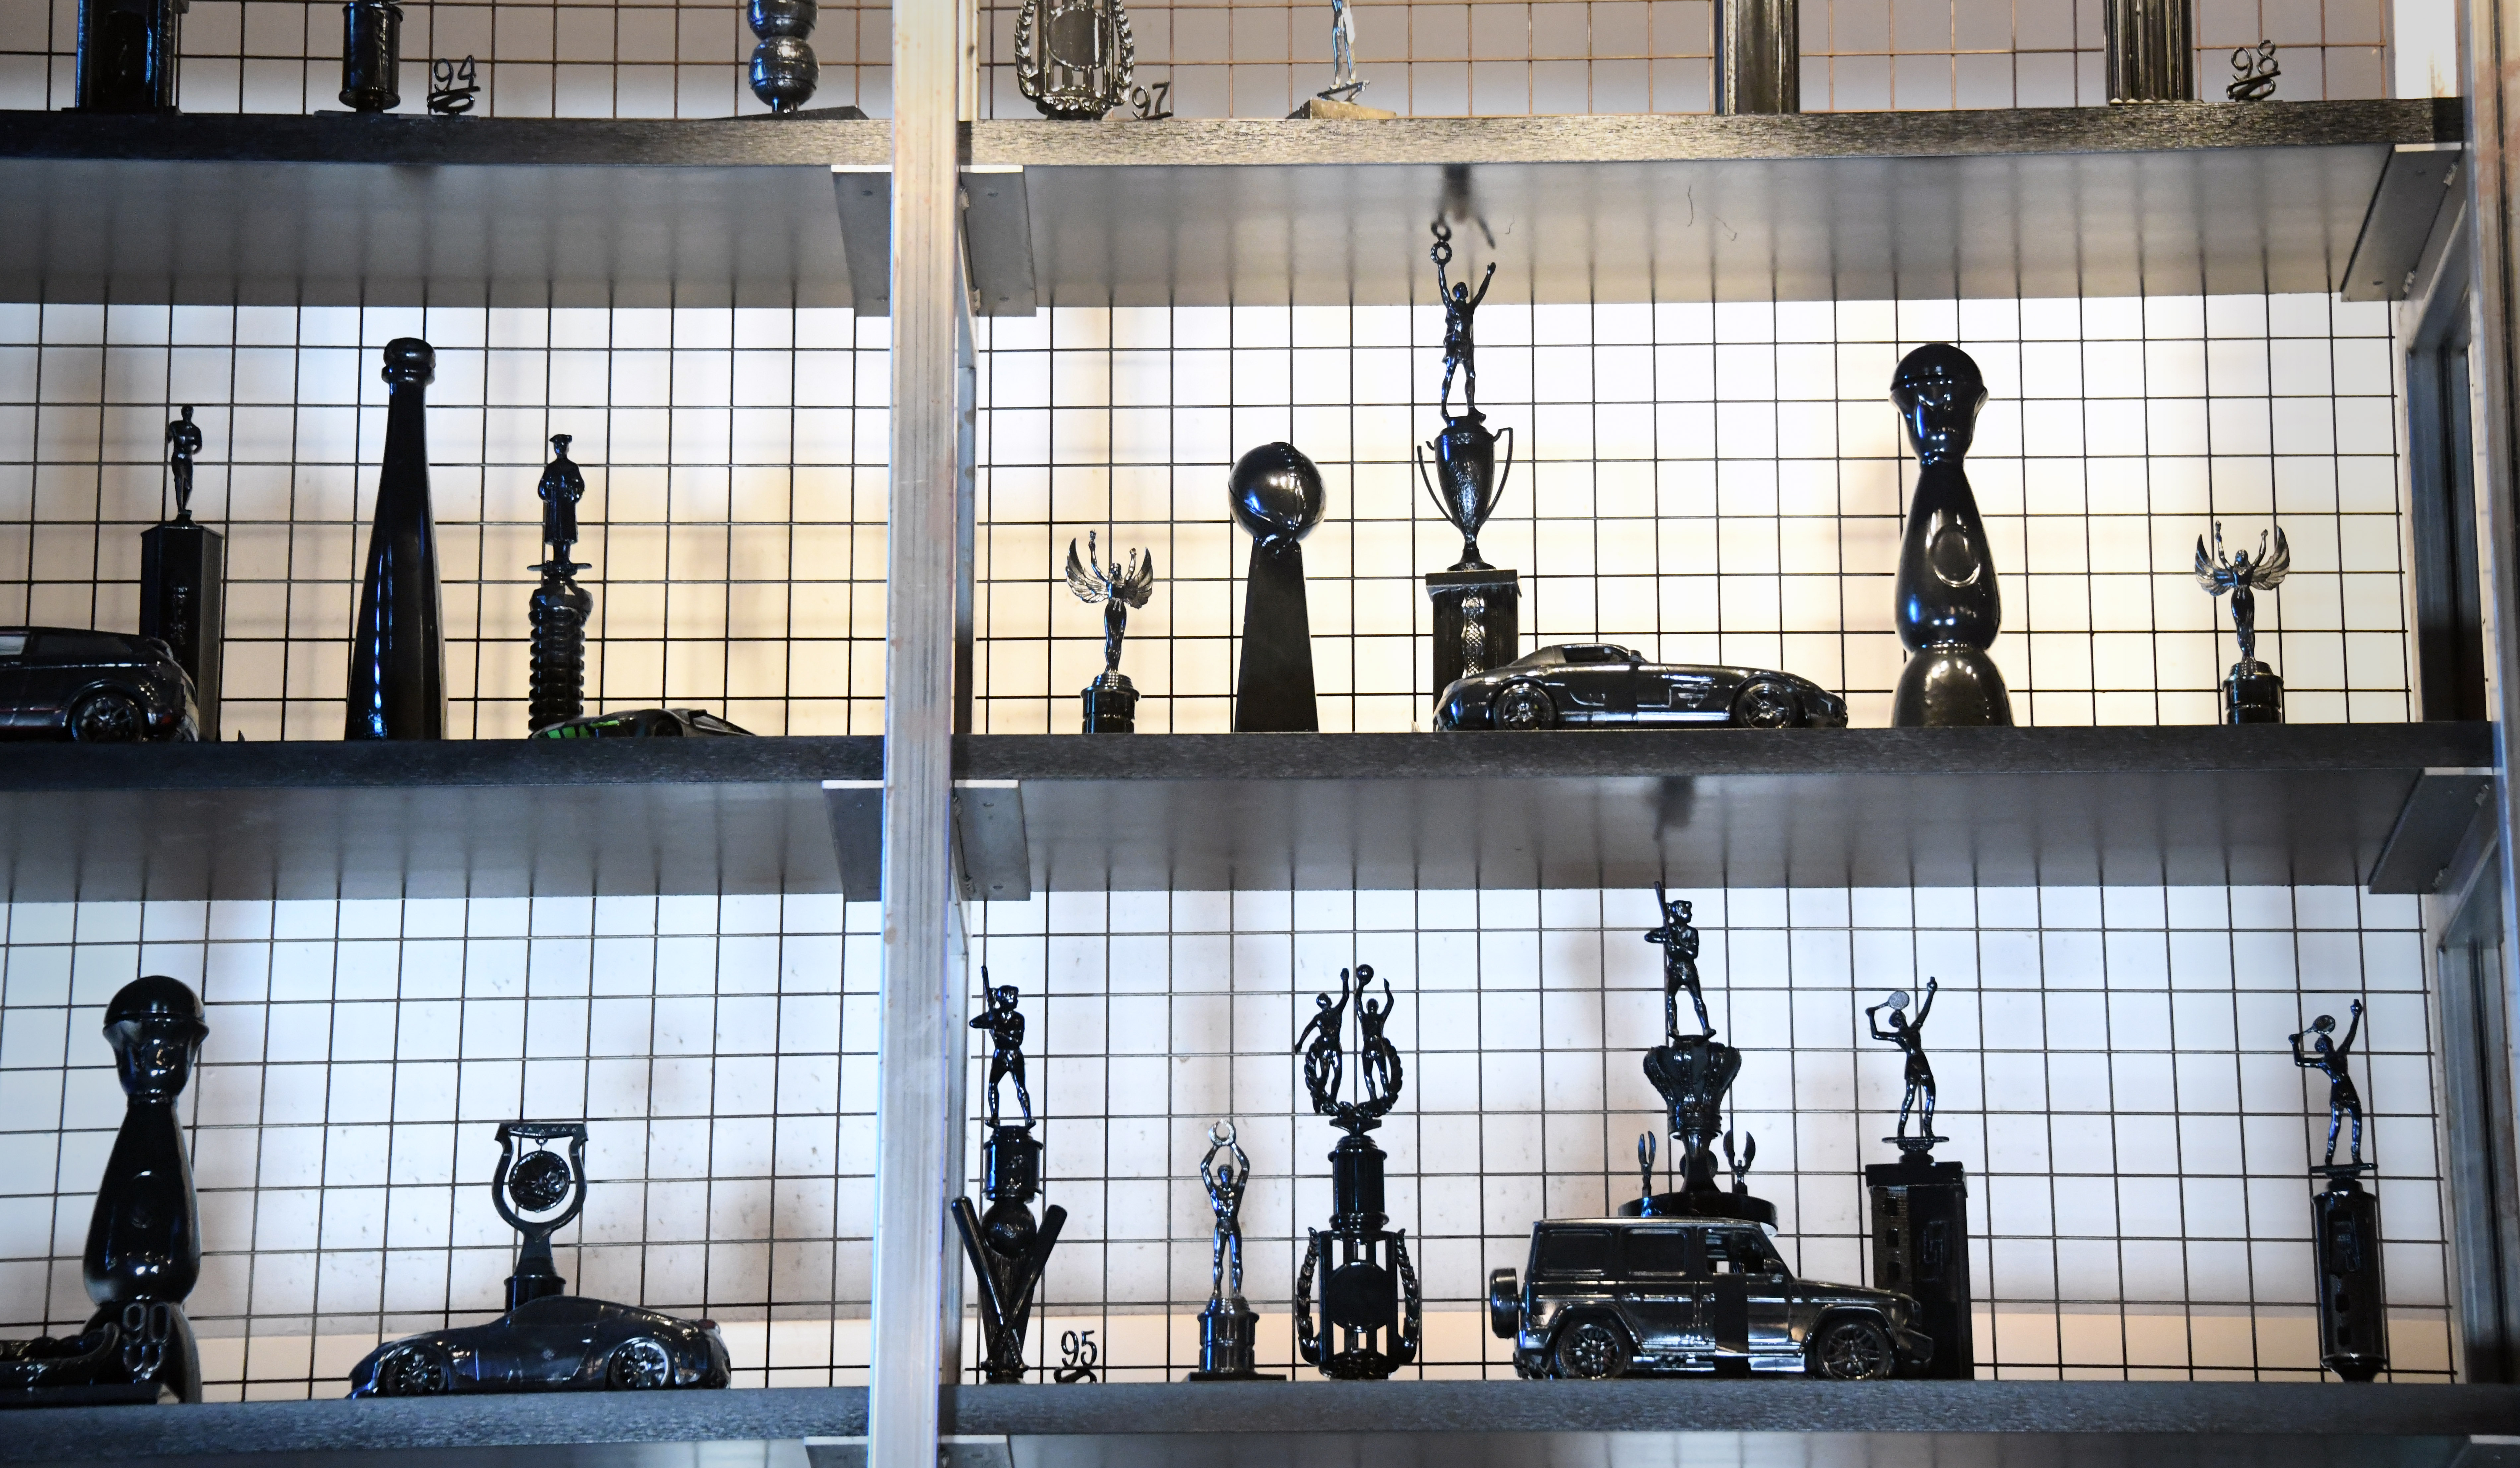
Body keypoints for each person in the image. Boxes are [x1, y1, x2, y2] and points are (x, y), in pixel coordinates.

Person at [2291, 999, 2365, 1167]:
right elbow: (2300, 1062)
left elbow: (2351, 1036)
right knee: (2336, 1125)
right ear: (2321, 1048)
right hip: (2339, 1093)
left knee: (2357, 1123)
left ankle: (2356, 1157)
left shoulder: (2341, 1054)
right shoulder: (2323, 1062)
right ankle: (2329, 1159)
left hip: (2349, 1091)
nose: (2326, 1042)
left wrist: (2356, 1016)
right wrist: (2295, 1045)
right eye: (2323, 1043)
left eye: (2327, 1041)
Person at [1866, 978, 1939, 1147]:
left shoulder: (1914, 1028)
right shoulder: (1898, 1036)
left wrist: (1931, 993)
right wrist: (1871, 1017)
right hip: (1913, 1066)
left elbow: (1925, 1012)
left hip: (1922, 1063)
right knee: (1910, 1098)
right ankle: (1902, 1130)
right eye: (1898, 1018)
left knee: (1931, 1096)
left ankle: (1927, 1127)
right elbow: (1876, 1035)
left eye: (1901, 1016)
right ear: (1896, 1023)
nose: (1901, 1018)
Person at [1645, 883, 1711, 1041]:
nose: (1690, 914)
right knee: (1671, 998)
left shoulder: (1691, 932)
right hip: (1674, 970)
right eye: (1686, 911)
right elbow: (1649, 937)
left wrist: (1678, 946)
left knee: (1698, 999)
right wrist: (1666, 938)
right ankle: (1673, 1028)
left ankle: (1706, 1028)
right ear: (1678, 913)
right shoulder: (1670, 930)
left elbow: (1693, 953)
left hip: (1688, 970)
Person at [971, 976, 1032, 1127]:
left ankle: (1028, 1117)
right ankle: (995, 1117)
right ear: (1004, 1000)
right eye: (1013, 997)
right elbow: (974, 1022)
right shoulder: (995, 1015)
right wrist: (990, 1019)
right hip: (1000, 1055)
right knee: (993, 1085)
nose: (1016, 1000)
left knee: (1021, 1086)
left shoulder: (1018, 1019)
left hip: (1014, 1055)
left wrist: (1000, 1033)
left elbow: (1017, 1041)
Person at [1200, 1120, 1249, 1300]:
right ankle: (1217, 1290)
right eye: (1224, 1174)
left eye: (1229, 1173)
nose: (1227, 1176)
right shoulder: (1216, 1192)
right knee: (1218, 1259)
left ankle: (1237, 1292)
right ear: (1221, 1176)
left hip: (1233, 1225)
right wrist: (1216, 1146)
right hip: (1221, 1226)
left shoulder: (1237, 1190)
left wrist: (1233, 1144)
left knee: (1237, 1259)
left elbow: (1246, 1167)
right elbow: (1204, 1168)